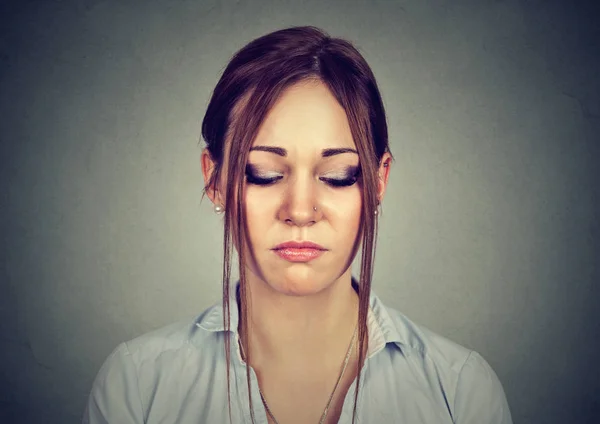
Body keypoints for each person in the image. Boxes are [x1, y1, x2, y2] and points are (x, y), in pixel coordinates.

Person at [83, 26, 512, 424]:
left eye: (338, 175)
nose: (301, 210)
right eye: (264, 172)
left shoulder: (459, 392)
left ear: (378, 181)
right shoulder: (138, 388)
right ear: (214, 179)